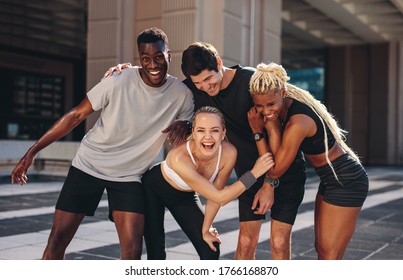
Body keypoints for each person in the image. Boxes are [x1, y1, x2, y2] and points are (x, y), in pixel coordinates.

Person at [104, 42, 306, 260]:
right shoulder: (194, 87)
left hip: (279, 170)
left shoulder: (250, 82)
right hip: (250, 172)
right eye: (198, 83)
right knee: (245, 243)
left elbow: (274, 129)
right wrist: (127, 73)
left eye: (209, 79)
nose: (205, 87)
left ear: (219, 63)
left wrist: (270, 183)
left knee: (277, 243)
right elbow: (156, 86)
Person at [10, 27, 194, 260]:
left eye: (158, 57)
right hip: (89, 165)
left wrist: (186, 125)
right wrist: (32, 152)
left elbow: (190, 127)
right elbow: (76, 115)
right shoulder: (118, 80)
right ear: (139, 59)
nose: (153, 64)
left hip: (129, 176)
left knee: (133, 253)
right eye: (145, 59)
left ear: (169, 55)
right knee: (56, 243)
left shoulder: (182, 94)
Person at [247, 62, 369, 259]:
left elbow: (276, 169)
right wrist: (271, 125)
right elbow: (276, 157)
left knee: (329, 255)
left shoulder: (298, 121)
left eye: (271, 104)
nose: (266, 111)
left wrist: (257, 131)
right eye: (259, 106)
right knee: (322, 249)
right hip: (330, 180)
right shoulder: (283, 112)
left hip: (346, 181)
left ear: (283, 92)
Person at [142, 106, 274, 259]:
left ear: (223, 133)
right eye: (201, 130)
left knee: (210, 249)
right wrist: (254, 173)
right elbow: (220, 197)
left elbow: (216, 196)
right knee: (156, 249)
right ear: (193, 132)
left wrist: (206, 230)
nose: (208, 137)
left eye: (215, 130)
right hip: (154, 188)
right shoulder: (180, 158)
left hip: (184, 196)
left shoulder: (229, 153)